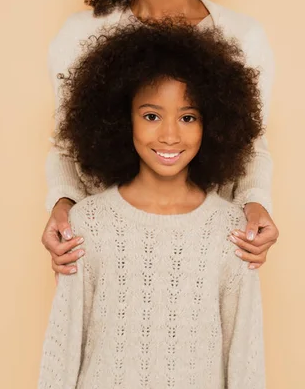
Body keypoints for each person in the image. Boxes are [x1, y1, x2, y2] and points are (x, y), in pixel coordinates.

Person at [42, 0, 279, 276]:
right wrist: (61, 206)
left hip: (209, 257)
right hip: (104, 256)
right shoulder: (81, 35)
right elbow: (66, 147)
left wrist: (256, 206)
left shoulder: (243, 37)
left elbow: (252, 147)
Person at [38, 21, 266, 389]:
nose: (170, 135)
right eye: (151, 115)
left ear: (215, 125)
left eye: (188, 117)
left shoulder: (233, 234)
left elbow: (245, 361)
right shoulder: (87, 225)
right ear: (119, 120)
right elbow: (61, 352)